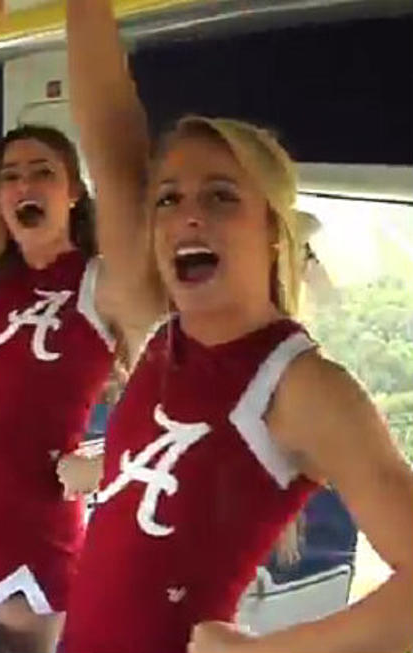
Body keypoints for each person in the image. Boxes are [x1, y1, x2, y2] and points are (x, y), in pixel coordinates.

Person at [58, 1, 413, 651]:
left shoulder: (303, 387)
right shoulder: (169, 335)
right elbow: (109, 142)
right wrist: (102, 468)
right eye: (169, 198)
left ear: (273, 232)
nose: (187, 215)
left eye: (221, 195)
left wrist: (262, 651)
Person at [0, 1, 161, 651]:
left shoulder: (104, 283)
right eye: (10, 176)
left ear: (74, 191)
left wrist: (102, 458)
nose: (22, 185)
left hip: (35, 520)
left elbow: (167, 402)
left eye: (43, 172)